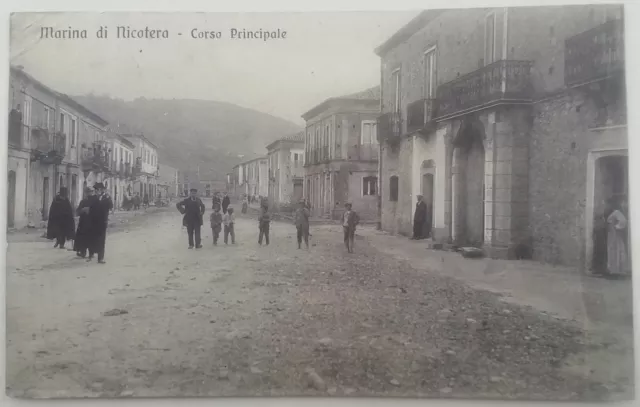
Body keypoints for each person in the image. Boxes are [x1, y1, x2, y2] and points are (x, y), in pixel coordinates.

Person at [86, 182, 113, 263]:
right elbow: (89, 207)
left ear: (101, 190)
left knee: (101, 239)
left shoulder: (106, 197)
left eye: (97, 190)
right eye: (95, 190)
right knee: (91, 238)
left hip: (102, 221)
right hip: (92, 221)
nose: (96, 191)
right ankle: (91, 255)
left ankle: (100, 258)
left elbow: (110, 207)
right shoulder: (93, 198)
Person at [606, 197, 631, 277]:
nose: (608, 206)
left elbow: (623, 221)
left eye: (609, 204)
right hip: (611, 234)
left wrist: (616, 227)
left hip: (615, 234)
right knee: (612, 250)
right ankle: (613, 270)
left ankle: (618, 270)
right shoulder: (613, 213)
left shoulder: (617, 212)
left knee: (617, 249)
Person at [73, 187, 96, 258]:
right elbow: (77, 212)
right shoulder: (83, 202)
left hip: (92, 223)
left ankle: (91, 253)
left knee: (92, 238)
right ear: (85, 193)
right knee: (82, 238)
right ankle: (83, 252)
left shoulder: (95, 202)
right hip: (83, 223)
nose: (89, 193)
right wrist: (83, 210)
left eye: (91, 192)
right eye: (88, 192)